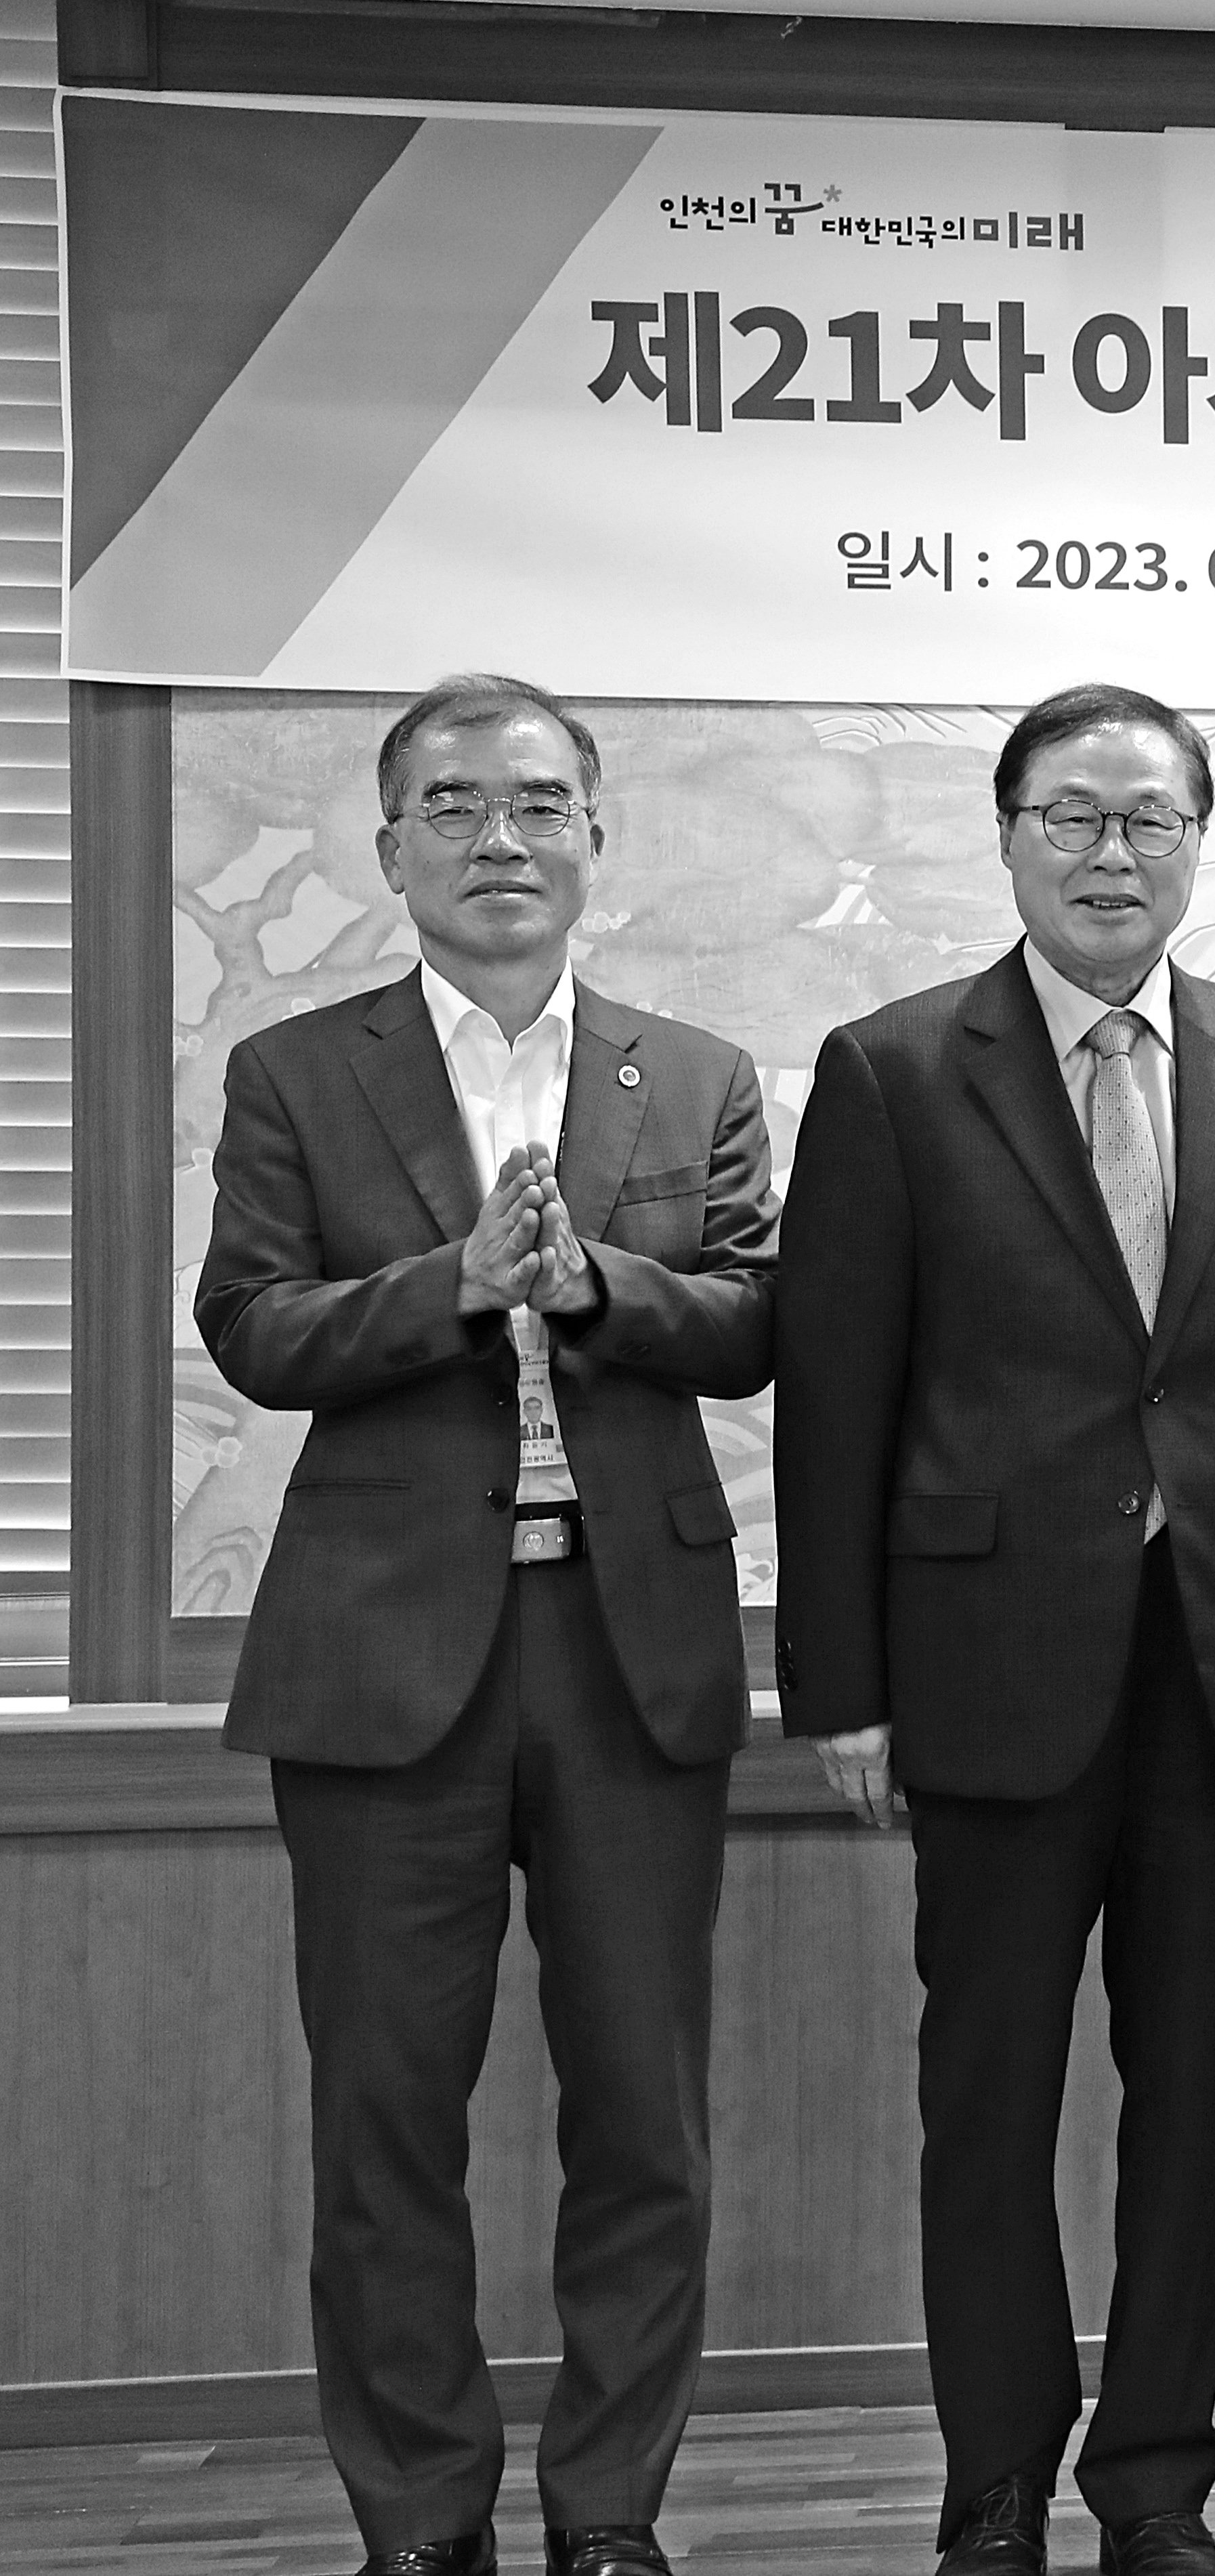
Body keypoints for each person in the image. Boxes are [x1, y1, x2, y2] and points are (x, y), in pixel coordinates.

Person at [773, 683, 1215, 2576]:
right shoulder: (893, 1069)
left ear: (1198, 843)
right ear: (1008, 838)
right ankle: (993, 2475)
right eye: (1072, 815)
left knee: (1189, 2094)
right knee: (985, 2091)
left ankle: (1156, 2481)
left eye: (1149, 819)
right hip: (983, 1667)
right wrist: (840, 1685)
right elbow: (835, 1401)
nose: (1110, 852)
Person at [198, 674, 778, 2576]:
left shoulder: (694, 1071)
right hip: (383, 1661)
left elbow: (759, 1318)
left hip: (629, 1654)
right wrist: (453, 1284)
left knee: (645, 2120)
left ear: (597, 837)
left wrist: (594, 1283)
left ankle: (609, 2511)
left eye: (537, 802)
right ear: (391, 850)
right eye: (451, 806)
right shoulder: (297, 1070)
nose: (498, 838)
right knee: (386, 2121)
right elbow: (252, 1327)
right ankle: (420, 2519)